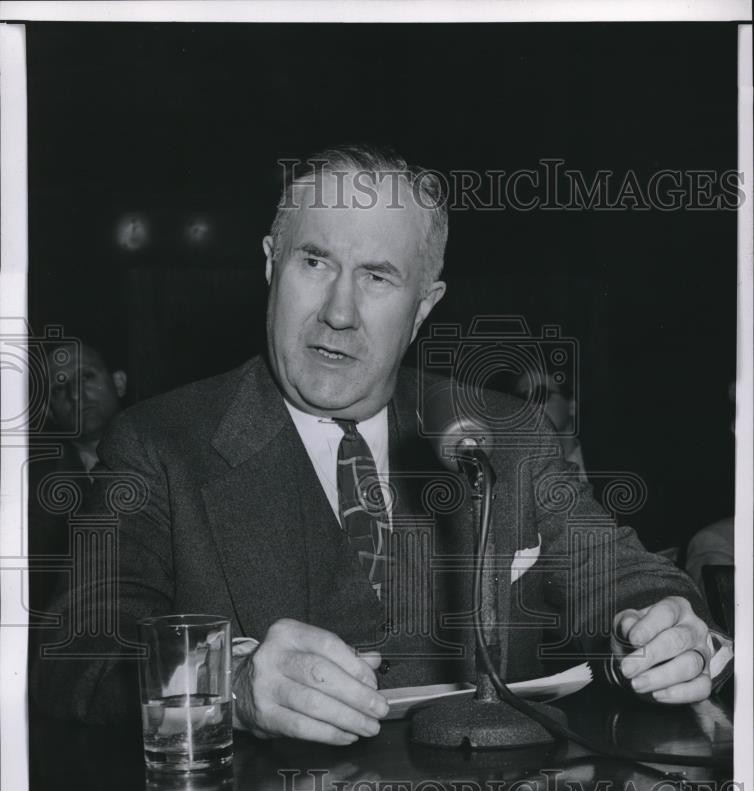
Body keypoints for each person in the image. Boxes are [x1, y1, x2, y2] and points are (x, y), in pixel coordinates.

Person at [30, 145, 723, 745]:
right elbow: (77, 658)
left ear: (424, 305)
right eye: (314, 261)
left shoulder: (507, 433)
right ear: (271, 265)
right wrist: (229, 686)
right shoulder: (157, 444)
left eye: (378, 276)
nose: (339, 312)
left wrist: (669, 628)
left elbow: (627, 578)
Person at [27, 341, 128, 613]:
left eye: (86, 376)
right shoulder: (36, 496)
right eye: (59, 388)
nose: (75, 394)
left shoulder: (168, 461)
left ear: (119, 383)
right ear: (48, 411)